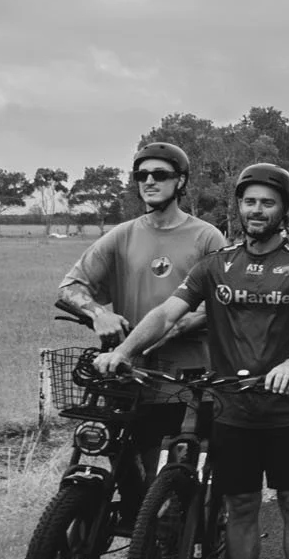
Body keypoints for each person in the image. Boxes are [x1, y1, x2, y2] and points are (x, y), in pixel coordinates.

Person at [95, 162, 289, 559]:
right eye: (249, 201)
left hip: (285, 408)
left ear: (284, 209)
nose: (257, 210)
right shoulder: (218, 264)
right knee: (240, 505)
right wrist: (123, 352)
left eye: (268, 202)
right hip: (231, 408)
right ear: (239, 207)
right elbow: (167, 313)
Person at [56, 141, 224, 481]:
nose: (149, 181)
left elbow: (219, 303)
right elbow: (70, 287)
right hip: (131, 375)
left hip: (189, 377)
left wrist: (179, 325)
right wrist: (98, 313)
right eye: (141, 175)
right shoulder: (122, 236)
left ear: (180, 182)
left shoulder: (207, 238)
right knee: (128, 463)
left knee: (181, 472)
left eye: (160, 174)